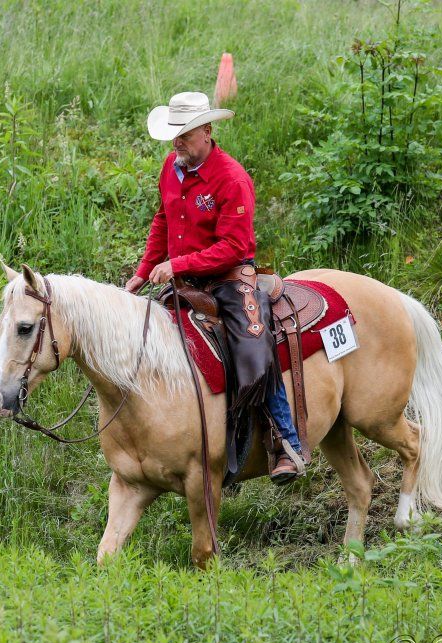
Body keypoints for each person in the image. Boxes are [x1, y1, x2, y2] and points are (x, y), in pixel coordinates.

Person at [124, 91, 308, 484]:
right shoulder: (171, 168)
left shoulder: (231, 178)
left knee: (254, 348)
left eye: (186, 134)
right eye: (174, 134)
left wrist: (177, 264)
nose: (177, 142)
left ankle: (284, 442)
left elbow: (233, 248)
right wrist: (144, 270)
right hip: (184, 280)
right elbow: (163, 220)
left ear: (207, 131)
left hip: (228, 277)